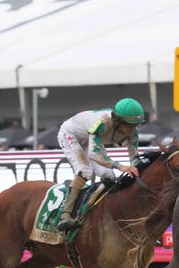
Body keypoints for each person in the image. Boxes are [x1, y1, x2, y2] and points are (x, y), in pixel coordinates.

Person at [56, 97, 146, 230]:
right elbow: (94, 154)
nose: (133, 130)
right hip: (70, 135)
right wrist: (121, 166)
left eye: (136, 126)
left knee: (108, 174)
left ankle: (106, 213)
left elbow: (134, 158)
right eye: (129, 125)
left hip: (89, 138)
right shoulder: (102, 122)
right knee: (85, 171)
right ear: (118, 121)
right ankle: (65, 215)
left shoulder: (133, 132)